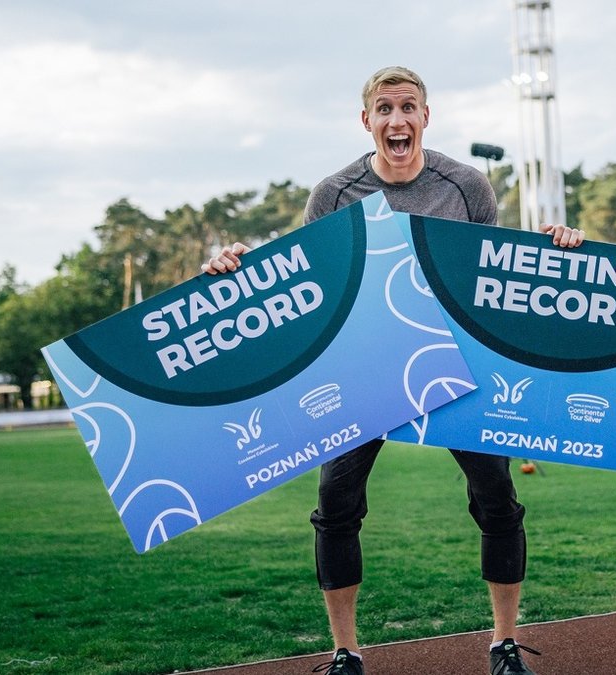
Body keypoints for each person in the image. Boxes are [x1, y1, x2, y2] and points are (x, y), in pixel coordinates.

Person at [203, 66, 585, 675]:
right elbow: (308, 288)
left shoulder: (466, 186)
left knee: (497, 499)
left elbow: (496, 280)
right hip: (366, 373)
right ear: (367, 122)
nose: (397, 120)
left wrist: (555, 249)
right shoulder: (333, 193)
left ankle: (504, 645)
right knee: (335, 502)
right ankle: (345, 653)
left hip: (455, 369)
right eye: (384, 109)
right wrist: (242, 270)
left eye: (408, 107)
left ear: (425, 117)